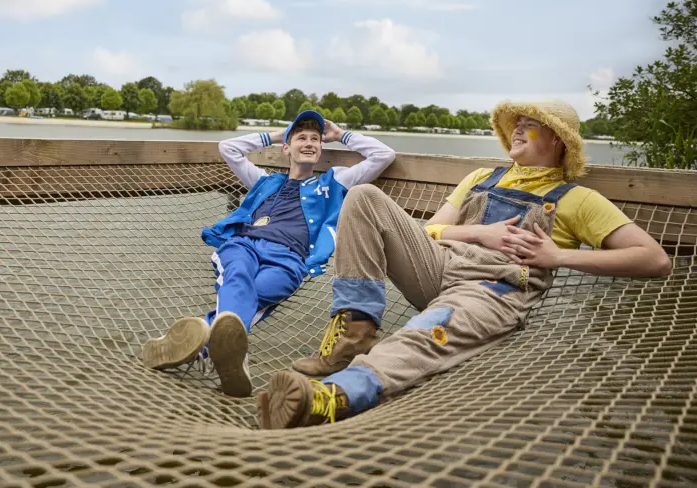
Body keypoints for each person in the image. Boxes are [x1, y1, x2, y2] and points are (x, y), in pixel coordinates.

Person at [256, 100, 672, 428]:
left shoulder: (577, 199)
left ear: (557, 140)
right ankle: (351, 336)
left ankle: (333, 398)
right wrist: (477, 233)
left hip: (492, 290)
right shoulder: (479, 178)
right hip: (439, 266)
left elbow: (655, 259)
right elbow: (431, 231)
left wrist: (559, 257)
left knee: (418, 335)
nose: (517, 128)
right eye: (517, 121)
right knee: (363, 198)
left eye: (530, 123)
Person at [141, 110, 396, 397]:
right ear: (287, 148)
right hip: (244, 245)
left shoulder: (333, 184)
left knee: (252, 293)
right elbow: (229, 148)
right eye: (301, 138)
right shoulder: (265, 182)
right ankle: (229, 354)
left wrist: (341, 135)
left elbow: (383, 155)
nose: (310, 143)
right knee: (238, 277)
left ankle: (203, 345)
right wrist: (277, 135)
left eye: (315, 139)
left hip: (291, 259)